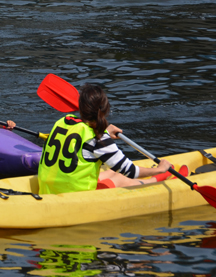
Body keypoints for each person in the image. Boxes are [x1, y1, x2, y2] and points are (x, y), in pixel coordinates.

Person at [38, 83, 188, 194]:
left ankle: (149, 175)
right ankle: (158, 178)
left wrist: (104, 132)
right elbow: (130, 171)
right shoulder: (98, 139)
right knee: (121, 177)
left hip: (47, 188)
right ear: (105, 109)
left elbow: (81, 137)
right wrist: (160, 169)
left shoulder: (63, 121)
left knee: (112, 172)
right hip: (73, 195)